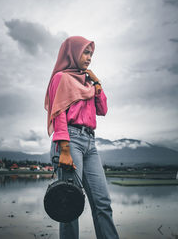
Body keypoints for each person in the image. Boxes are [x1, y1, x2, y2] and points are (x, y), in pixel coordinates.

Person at [45, 36, 119, 239]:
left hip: (90, 143)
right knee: (69, 206)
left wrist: (97, 82)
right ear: (72, 53)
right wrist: (65, 149)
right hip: (69, 141)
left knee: (102, 202)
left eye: (91, 54)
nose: (89, 58)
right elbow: (58, 113)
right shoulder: (61, 78)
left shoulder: (87, 82)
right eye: (85, 53)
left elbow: (102, 109)